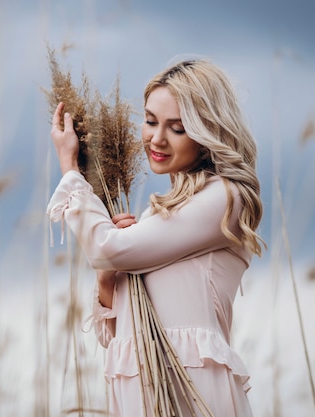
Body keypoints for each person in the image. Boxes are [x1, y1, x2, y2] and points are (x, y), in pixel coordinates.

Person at [47, 59, 264, 417]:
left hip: (192, 391)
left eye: (176, 128)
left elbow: (105, 247)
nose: (156, 138)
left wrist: (70, 169)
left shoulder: (225, 198)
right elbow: (115, 337)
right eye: (150, 121)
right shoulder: (155, 217)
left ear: (207, 131)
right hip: (141, 393)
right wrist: (107, 279)